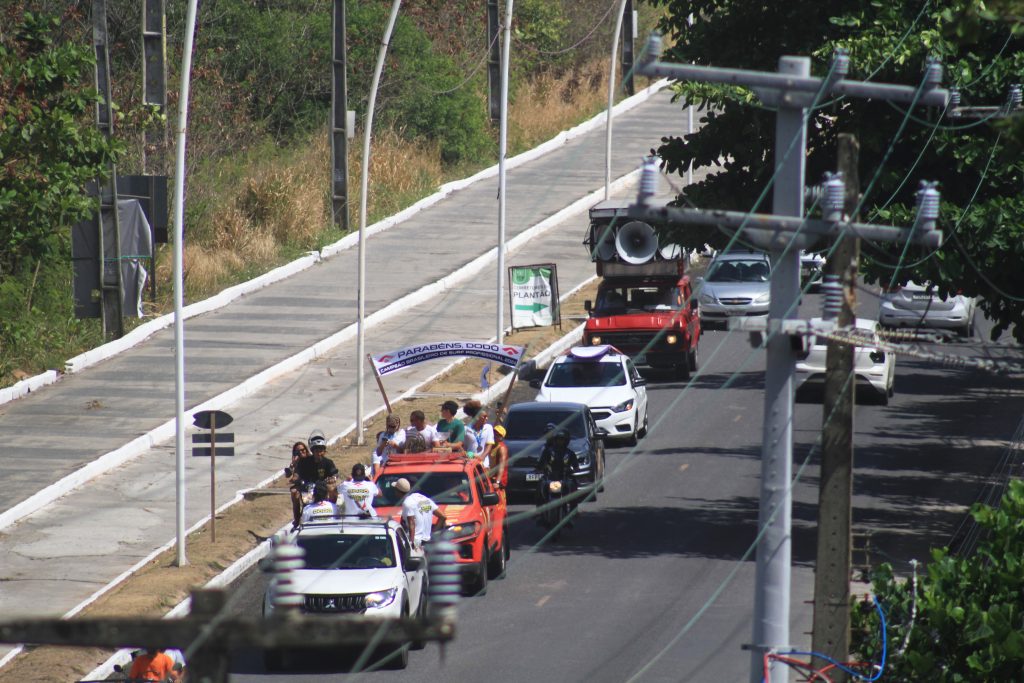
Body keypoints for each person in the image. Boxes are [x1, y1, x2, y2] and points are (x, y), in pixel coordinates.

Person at [289, 432, 339, 528]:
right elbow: (297, 474)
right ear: (312, 451)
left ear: (324, 451)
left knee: (332, 488)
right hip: (307, 489)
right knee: (294, 492)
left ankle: (333, 511)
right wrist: (295, 479)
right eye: (316, 451)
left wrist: (333, 478)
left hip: (323, 490)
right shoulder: (304, 462)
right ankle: (297, 520)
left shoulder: (328, 462)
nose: (319, 453)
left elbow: (334, 473)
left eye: (321, 450)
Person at [536, 427, 581, 515]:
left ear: (566, 441)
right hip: (550, 477)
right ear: (555, 440)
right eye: (558, 439)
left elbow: (576, 465)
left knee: (573, 487)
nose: (560, 442)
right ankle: (539, 512)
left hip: (565, 478)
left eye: (562, 440)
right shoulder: (548, 452)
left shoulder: (570, 453)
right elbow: (541, 463)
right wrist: (540, 468)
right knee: (540, 487)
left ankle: (573, 511)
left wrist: (575, 469)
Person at [395, 478, 446, 549]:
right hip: (427, 543)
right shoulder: (425, 499)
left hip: (416, 544)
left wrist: (411, 544)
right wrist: (433, 534)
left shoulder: (407, 503)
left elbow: (411, 523)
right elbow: (443, 517)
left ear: (398, 491)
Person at [489, 424, 509, 491]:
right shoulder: (490, 445)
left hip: (498, 480)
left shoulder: (501, 448)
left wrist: (497, 482)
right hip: (490, 477)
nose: (495, 436)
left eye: (498, 435)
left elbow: (501, 467)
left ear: (501, 438)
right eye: (494, 433)